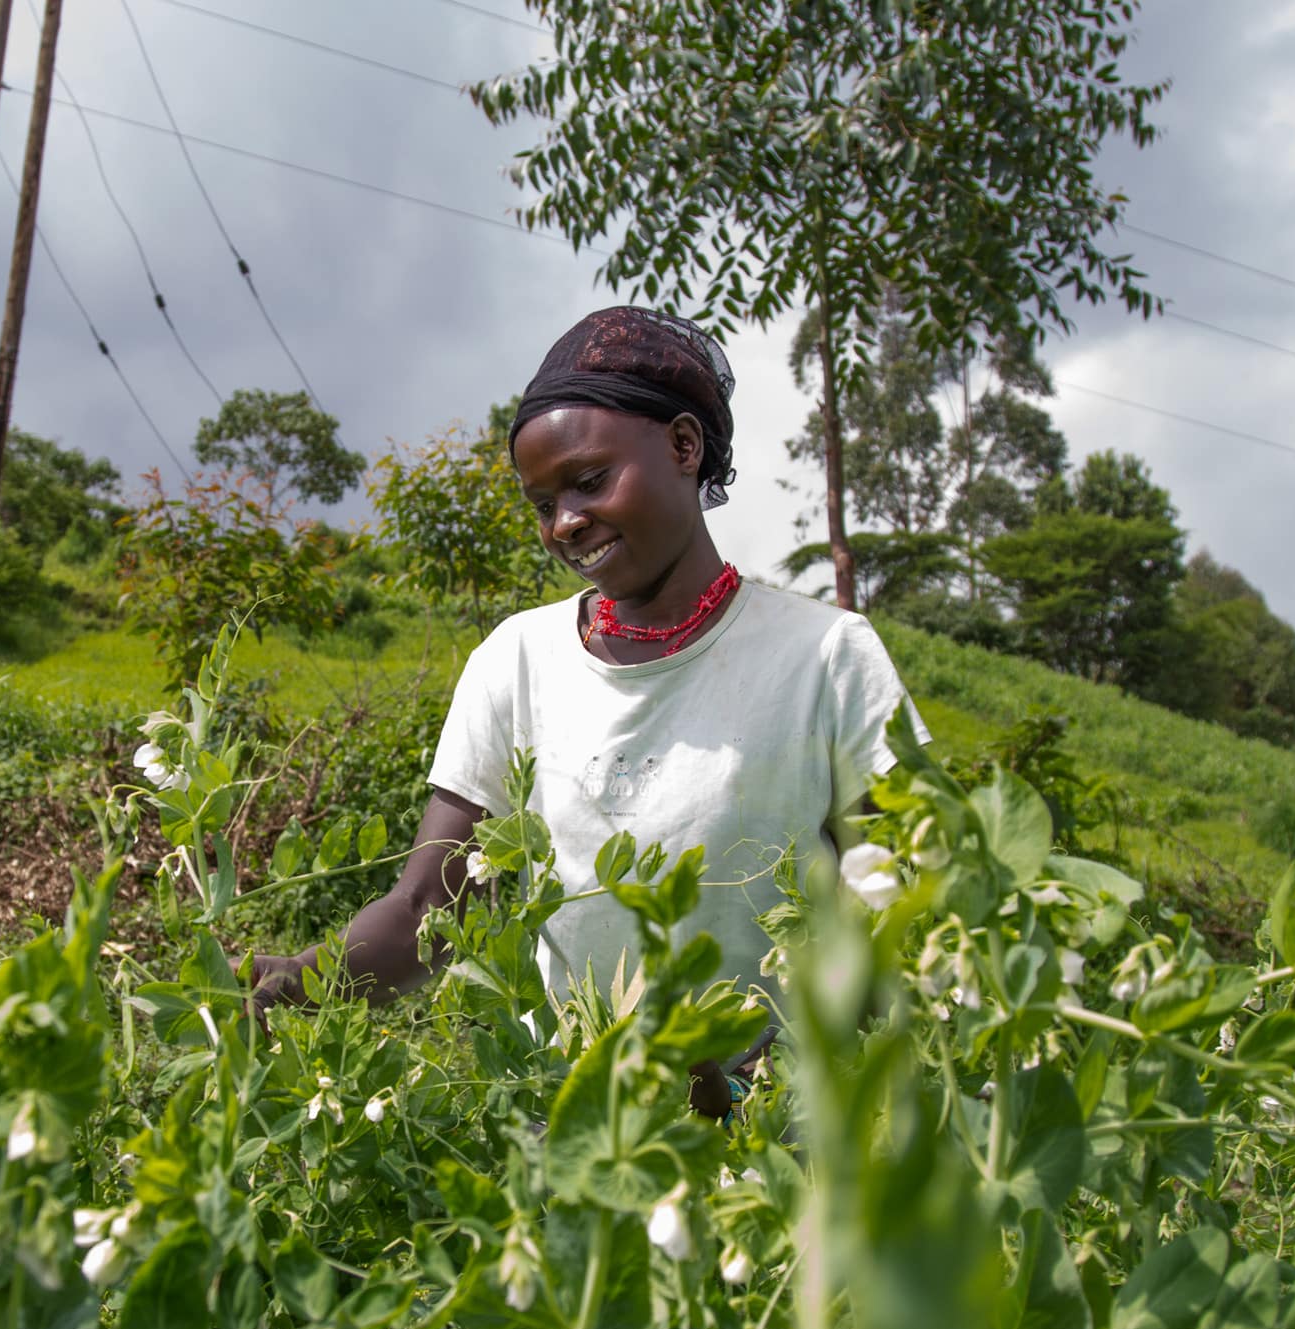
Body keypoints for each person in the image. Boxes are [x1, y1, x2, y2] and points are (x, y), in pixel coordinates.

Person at [239, 306, 927, 1118]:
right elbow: (431, 908)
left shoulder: (826, 658)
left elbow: (904, 909)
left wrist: (768, 1083)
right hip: (570, 1139)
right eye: (542, 503)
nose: (565, 522)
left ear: (683, 446)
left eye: (590, 481)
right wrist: (299, 982)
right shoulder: (518, 660)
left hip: (784, 1152)